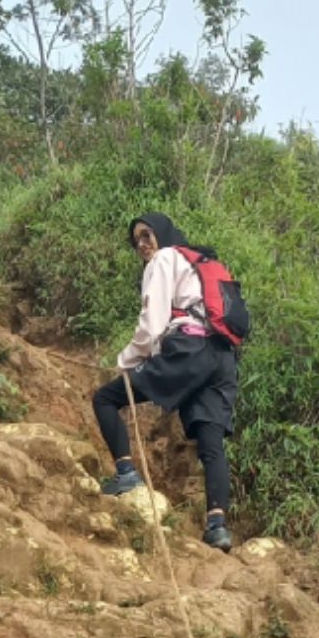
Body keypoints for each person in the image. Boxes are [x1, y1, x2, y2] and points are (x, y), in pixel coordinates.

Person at [91, 212, 242, 551]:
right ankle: (217, 527)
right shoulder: (200, 263)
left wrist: (125, 360)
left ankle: (126, 473)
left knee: (106, 398)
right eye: (136, 241)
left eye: (146, 234)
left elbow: (152, 325)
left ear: (162, 233)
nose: (142, 244)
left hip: (190, 350)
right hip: (223, 359)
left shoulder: (164, 259)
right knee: (211, 443)